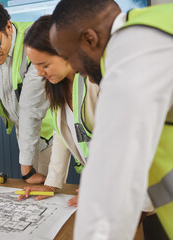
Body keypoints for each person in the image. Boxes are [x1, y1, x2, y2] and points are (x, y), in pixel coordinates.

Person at [49, 0, 173, 239]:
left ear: (89, 39)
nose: (73, 68)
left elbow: (111, 185)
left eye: (69, 56)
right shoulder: (154, 26)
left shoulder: (132, 51)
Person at [0, 2, 55, 200]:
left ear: (7, 27)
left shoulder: (33, 40)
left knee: (51, 195)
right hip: (23, 131)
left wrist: (26, 169)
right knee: (35, 198)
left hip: (53, 133)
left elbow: (31, 107)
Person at [17, 15, 99, 206]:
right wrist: (52, 184)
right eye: (35, 65)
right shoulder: (57, 86)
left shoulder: (97, 79)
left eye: (44, 65)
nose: (39, 73)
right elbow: (62, 135)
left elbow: (119, 142)